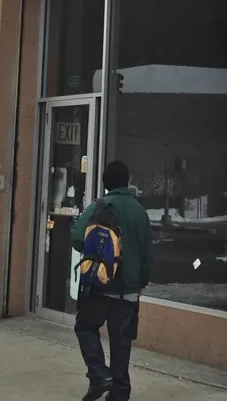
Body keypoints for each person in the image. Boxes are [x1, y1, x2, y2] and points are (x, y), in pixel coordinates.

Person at [71, 160, 153, 401]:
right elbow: (148, 253)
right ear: (126, 182)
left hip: (98, 286)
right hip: (127, 291)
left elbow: (77, 237)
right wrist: (141, 281)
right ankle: (119, 392)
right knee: (121, 341)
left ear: (106, 183)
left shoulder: (99, 206)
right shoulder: (139, 211)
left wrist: (95, 253)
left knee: (85, 326)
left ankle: (99, 373)